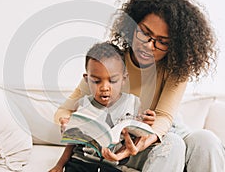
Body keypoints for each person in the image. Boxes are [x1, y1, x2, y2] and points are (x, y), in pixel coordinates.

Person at [54, 0, 225, 171]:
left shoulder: (176, 70)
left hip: (166, 133)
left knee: (207, 141)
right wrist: (67, 122)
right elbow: (63, 111)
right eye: (145, 33)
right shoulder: (111, 63)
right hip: (135, 143)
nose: (149, 46)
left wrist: (135, 147)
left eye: (162, 41)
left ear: (174, 45)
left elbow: (164, 118)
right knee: (172, 144)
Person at [49, 42, 156, 172]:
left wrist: (146, 122)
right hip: (80, 162)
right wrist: (59, 165)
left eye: (112, 80)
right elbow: (72, 142)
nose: (105, 88)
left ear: (124, 79)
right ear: (87, 79)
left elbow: (140, 133)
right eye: (96, 81)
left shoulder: (133, 103)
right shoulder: (83, 104)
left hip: (112, 164)